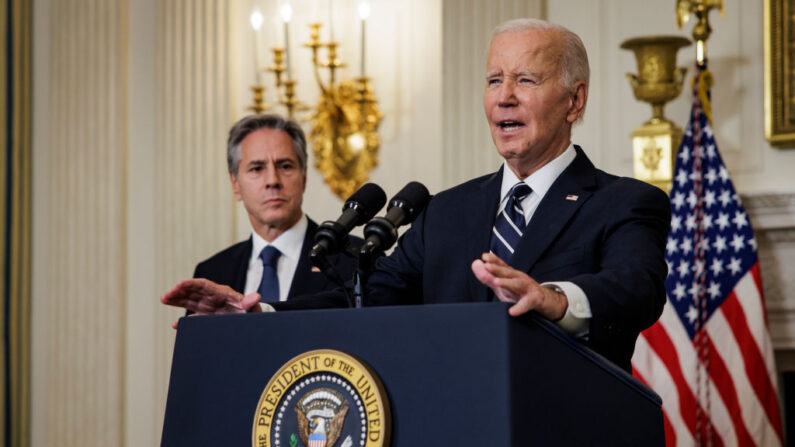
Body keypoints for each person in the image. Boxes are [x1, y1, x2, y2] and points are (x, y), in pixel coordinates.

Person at [163, 19, 670, 372]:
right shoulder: (447, 211)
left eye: (525, 80)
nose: (503, 96)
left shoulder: (624, 202)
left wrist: (553, 299)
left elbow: (635, 290)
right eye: (494, 79)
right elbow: (365, 296)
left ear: (574, 100)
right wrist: (261, 315)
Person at [187, 114, 358, 313]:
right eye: (257, 168)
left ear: (304, 176)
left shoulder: (354, 258)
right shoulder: (212, 272)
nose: (272, 180)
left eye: (285, 166)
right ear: (235, 183)